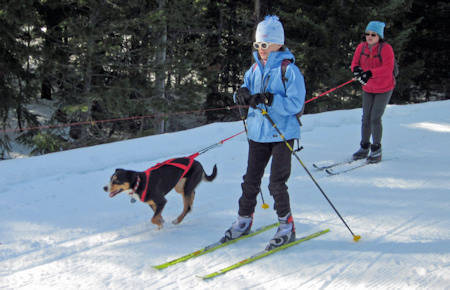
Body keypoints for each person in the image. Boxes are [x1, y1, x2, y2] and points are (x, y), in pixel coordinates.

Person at [221, 15, 306, 250]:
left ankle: (286, 226)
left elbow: (296, 104)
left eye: (265, 44)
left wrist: (271, 99)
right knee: (250, 180)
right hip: (258, 133)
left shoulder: (289, 70)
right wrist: (241, 95)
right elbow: (246, 89)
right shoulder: (254, 69)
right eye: (258, 45)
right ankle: (244, 220)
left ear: (278, 44)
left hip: (282, 134)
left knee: (276, 183)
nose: (261, 49)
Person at [351, 21, 396, 163]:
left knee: (375, 118)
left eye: (373, 34)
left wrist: (370, 73)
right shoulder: (361, 47)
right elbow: (354, 63)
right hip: (368, 88)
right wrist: (357, 70)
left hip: (384, 87)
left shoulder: (386, 48)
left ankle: (376, 149)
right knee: (366, 117)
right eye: (367, 34)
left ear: (379, 36)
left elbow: (388, 68)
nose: (369, 37)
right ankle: (364, 146)